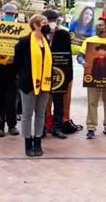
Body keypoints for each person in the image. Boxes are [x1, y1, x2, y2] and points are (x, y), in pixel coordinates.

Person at [14, 14, 53, 157]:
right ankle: (27, 142)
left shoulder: (46, 41)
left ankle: (38, 141)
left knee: (40, 113)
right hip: (28, 84)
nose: (47, 25)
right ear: (36, 25)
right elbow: (17, 64)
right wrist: (23, 77)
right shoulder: (23, 42)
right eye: (44, 23)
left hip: (45, 83)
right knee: (27, 114)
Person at [77, 17, 106, 139]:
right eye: (97, 25)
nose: (97, 27)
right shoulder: (89, 41)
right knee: (92, 102)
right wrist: (82, 62)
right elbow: (79, 56)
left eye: (101, 25)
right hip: (92, 77)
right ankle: (91, 128)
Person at [42, 10, 73, 139]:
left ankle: (57, 127)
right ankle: (43, 127)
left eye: (54, 20)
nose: (51, 22)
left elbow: (68, 55)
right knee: (42, 102)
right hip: (43, 73)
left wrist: (68, 75)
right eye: (49, 20)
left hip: (59, 73)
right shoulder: (39, 34)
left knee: (58, 101)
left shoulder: (64, 34)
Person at [0, 3, 20, 138]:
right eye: (7, 13)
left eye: (12, 14)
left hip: (13, 69)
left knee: (12, 99)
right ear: (2, 13)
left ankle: (12, 125)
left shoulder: (21, 30)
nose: (9, 16)